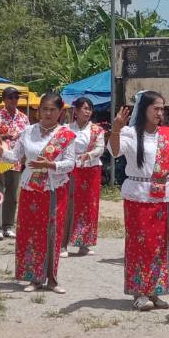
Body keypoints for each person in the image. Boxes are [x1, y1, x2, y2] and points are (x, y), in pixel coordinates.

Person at [111, 92, 169, 311]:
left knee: (160, 245)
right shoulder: (130, 133)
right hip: (138, 196)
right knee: (140, 244)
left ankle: (155, 290)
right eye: (156, 108)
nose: (160, 113)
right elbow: (115, 151)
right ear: (144, 109)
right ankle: (140, 291)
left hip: (163, 196)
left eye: (162, 108)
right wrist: (116, 128)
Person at [1, 92, 77, 291]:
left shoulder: (65, 135)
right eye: (45, 109)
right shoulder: (27, 132)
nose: (48, 113)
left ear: (60, 112)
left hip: (54, 189)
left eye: (53, 110)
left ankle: (51, 279)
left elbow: (70, 163)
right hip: (30, 188)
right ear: (38, 111)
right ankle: (34, 277)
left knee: (52, 231)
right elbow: (15, 156)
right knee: (30, 231)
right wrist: (0, 152)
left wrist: (50, 165)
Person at [65, 96, 105, 257]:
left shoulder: (97, 130)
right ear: (76, 110)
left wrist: (88, 155)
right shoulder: (66, 128)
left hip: (91, 170)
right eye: (85, 108)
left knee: (88, 206)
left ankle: (84, 243)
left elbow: (100, 148)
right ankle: (63, 244)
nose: (88, 112)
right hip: (70, 169)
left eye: (90, 109)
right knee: (68, 205)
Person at [0, 87, 29, 241]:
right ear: (4, 99)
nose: (14, 100)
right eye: (11, 97)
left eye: (16, 97)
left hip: (16, 161)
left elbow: (28, 138)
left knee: (12, 196)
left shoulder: (23, 118)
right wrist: (2, 136)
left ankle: (8, 226)